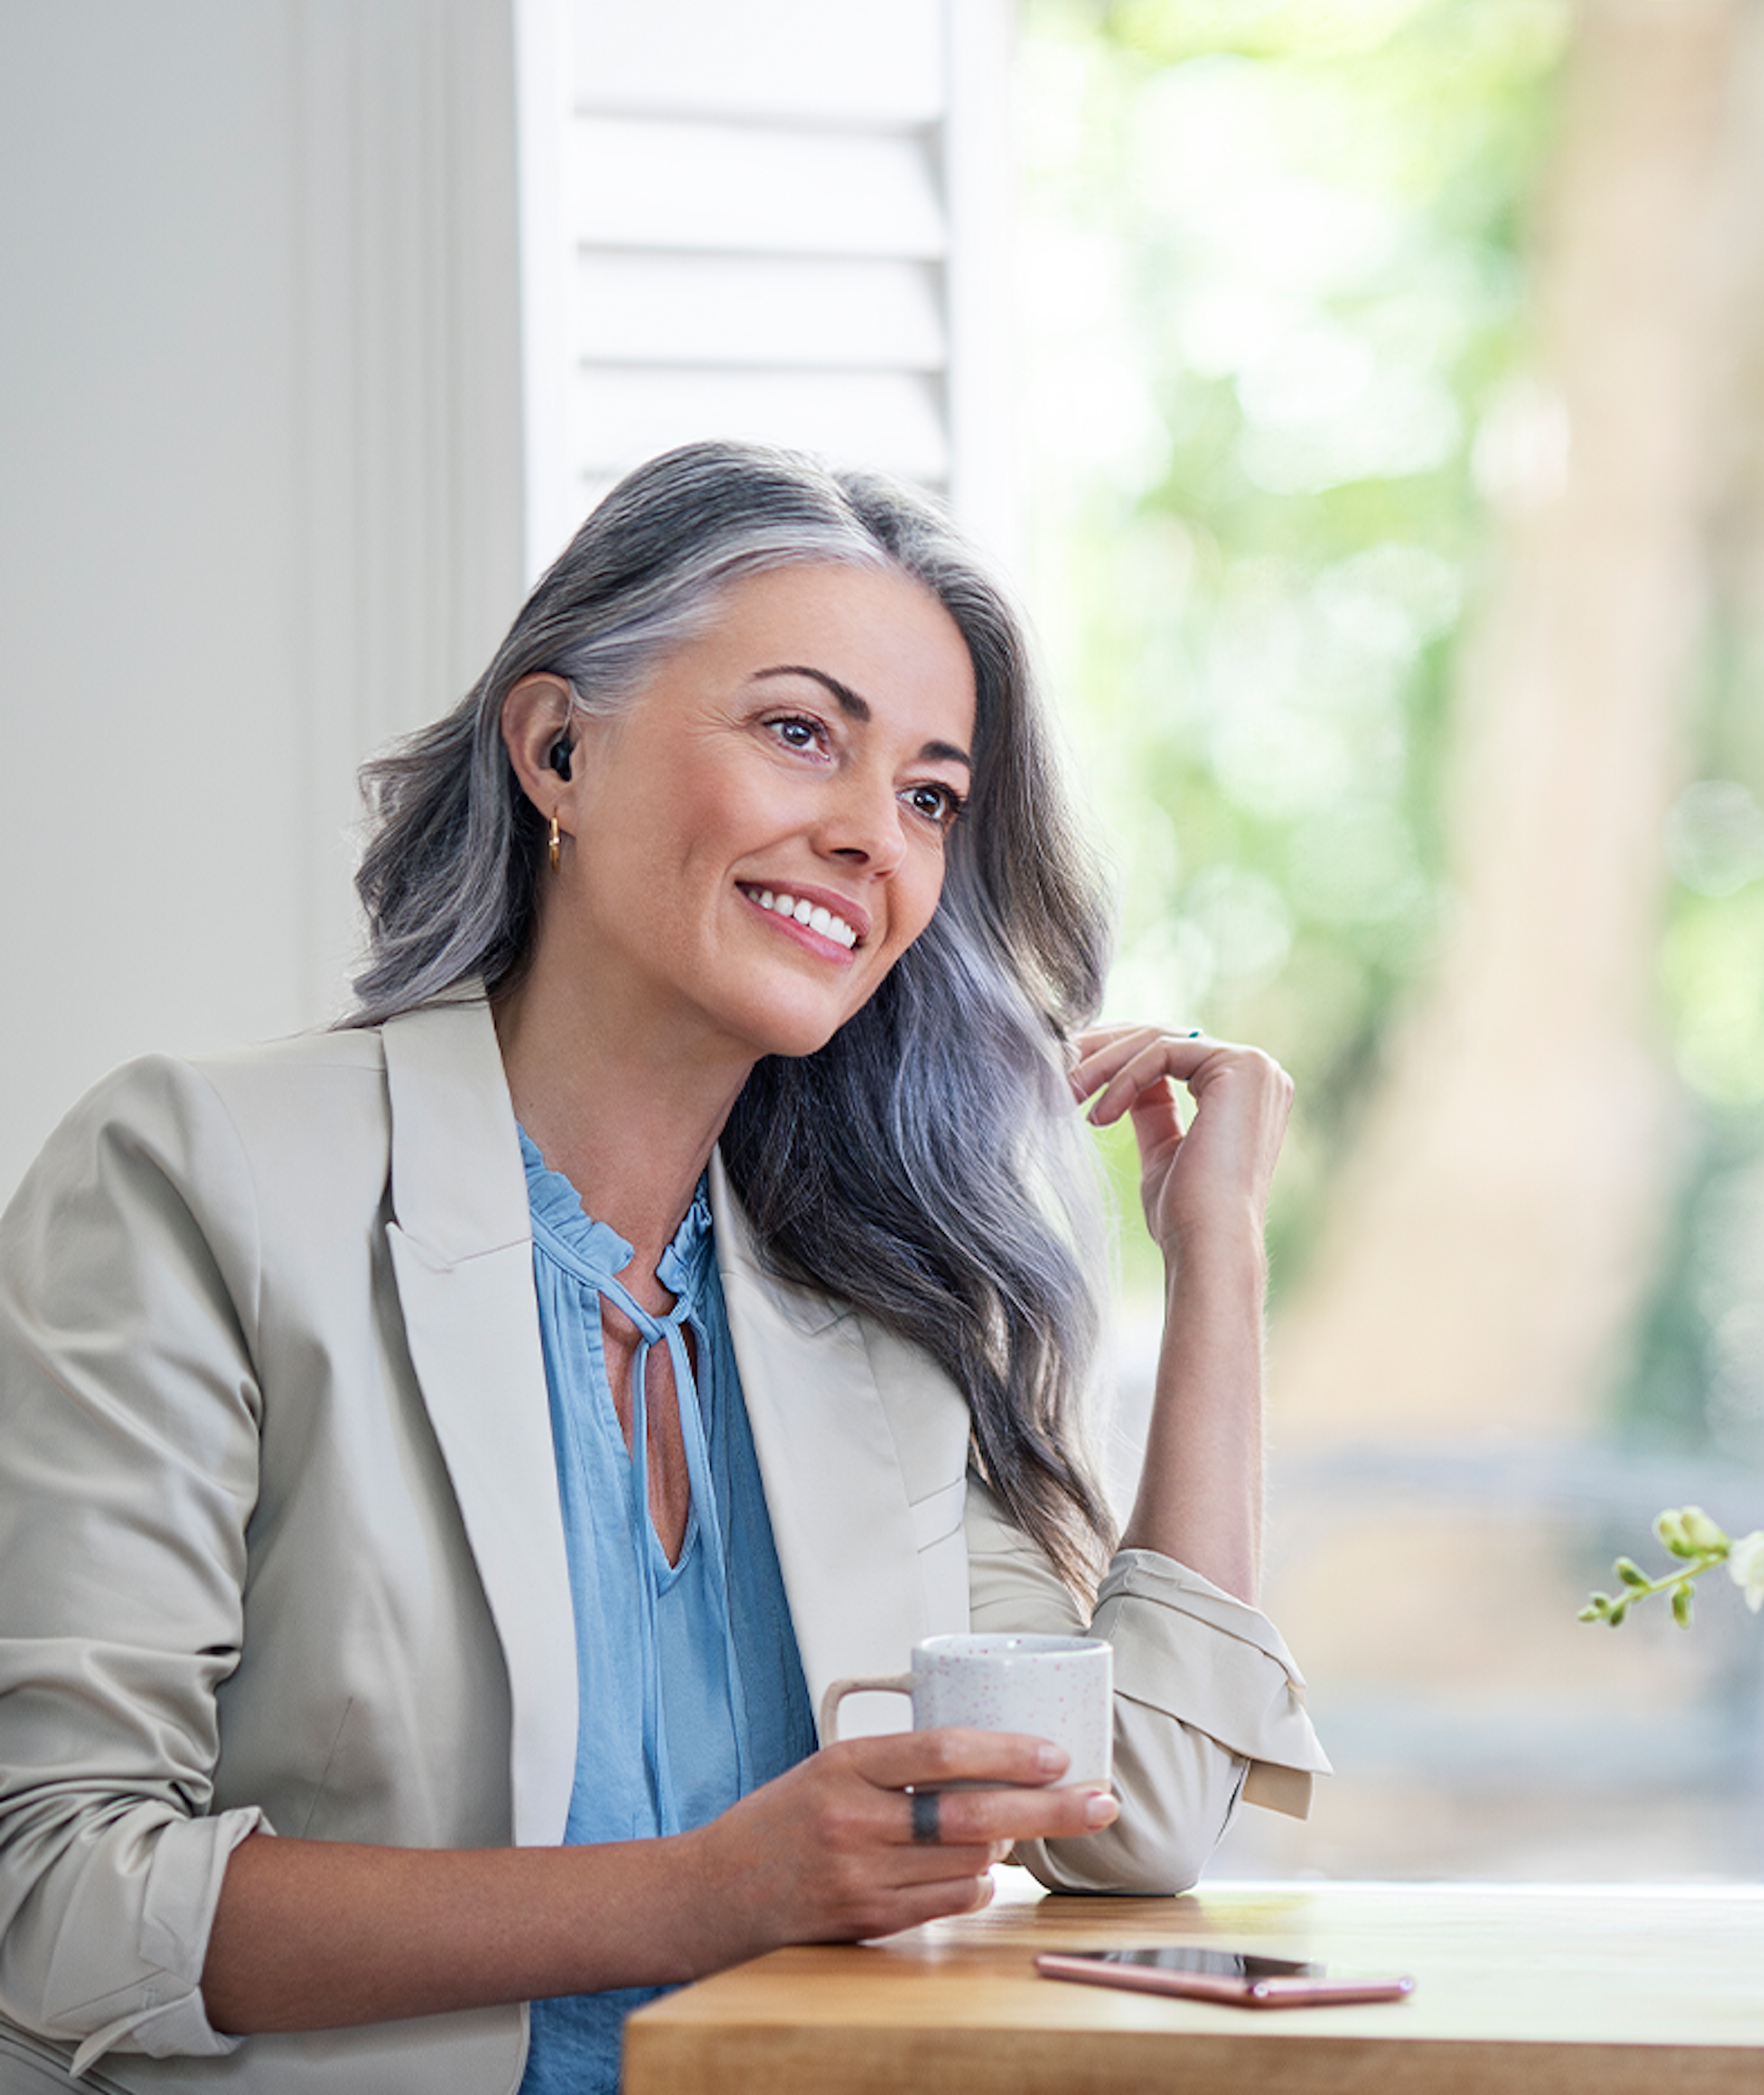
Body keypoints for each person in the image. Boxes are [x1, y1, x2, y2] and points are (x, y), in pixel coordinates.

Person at [0, 443, 1329, 2094]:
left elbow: (1130, 1816)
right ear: (560, 748)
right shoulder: (199, 1175)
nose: (873, 839)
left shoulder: (869, 1315)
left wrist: (1219, 1264)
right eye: (798, 735)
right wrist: (704, 1895)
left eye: (930, 795)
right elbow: (46, 1895)